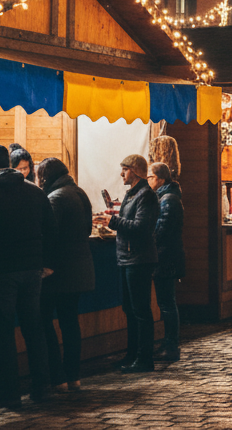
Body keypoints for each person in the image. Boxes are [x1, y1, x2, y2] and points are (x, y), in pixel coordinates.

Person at [0, 143, 55, 406]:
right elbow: (51, 229)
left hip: (1, 273)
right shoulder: (35, 192)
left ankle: (10, 392)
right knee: (34, 329)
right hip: (32, 272)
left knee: (4, 333)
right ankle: (42, 387)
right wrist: (43, 262)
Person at [93, 154, 160, 372]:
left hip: (139, 259)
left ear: (136, 171)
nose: (121, 173)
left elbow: (140, 226)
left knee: (140, 310)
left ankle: (144, 358)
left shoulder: (145, 196)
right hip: (127, 257)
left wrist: (112, 221)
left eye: (124, 169)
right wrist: (112, 220)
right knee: (130, 309)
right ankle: (132, 355)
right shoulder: (132, 195)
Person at [36, 157, 95, 392]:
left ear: (45, 177)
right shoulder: (78, 192)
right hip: (79, 269)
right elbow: (88, 229)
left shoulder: (56, 197)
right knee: (70, 323)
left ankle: (56, 376)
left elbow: (49, 235)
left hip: (57, 272)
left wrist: (46, 264)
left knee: (44, 321)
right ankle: (73, 376)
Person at [150, 161, 184, 361]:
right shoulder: (166, 197)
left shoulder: (168, 199)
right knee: (167, 302)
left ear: (160, 178)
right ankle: (170, 343)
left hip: (166, 257)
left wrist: (147, 238)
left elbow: (161, 229)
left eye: (150, 177)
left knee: (167, 303)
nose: (148, 180)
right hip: (167, 256)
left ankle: (171, 345)